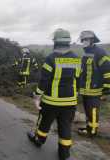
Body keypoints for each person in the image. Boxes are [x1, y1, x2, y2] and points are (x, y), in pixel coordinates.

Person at [27, 28, 81, 160]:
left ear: (55, 42)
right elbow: (79, 79)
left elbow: (44, 80)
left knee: (44, 123)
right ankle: (64, 154)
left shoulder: (51, 58)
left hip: (51, 101)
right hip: (70, 102)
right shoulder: (76, 59)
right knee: (65, 127)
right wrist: (76, 95)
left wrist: (37, 96)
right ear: (68, 42)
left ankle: (39, 140)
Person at [78, 31, 110, 137]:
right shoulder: (86, 53)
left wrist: (106, 89)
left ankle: (92, 131)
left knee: (93, 111)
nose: (84, 42)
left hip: (95, 90)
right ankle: (88, 127)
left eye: (86, 40)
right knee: (87, 111)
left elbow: (107, 71)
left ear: (92, 40)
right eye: (83, 40)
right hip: (85, 90)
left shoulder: (100, 53)